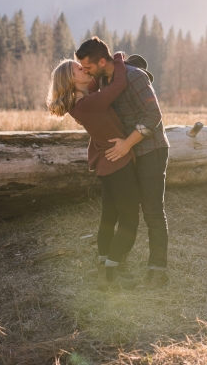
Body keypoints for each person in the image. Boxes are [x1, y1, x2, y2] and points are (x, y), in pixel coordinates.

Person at [76, 37, 171, 289]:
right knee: (123, 210)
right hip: (127, 155)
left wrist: (127, 143)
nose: (86, 73)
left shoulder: (135, 76)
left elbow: (154, 115)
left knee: (152, 211)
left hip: (150, 151)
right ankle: (115, 265)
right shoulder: (106, 80)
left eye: (88, 68)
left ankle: (158, 271)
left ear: (102, 61)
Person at [46, 53, 139, 291]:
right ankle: (110, 273)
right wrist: (116, 58)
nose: (86, 71)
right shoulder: (88, 103)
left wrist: (103, 65)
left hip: (107, 163)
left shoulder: (83, 99)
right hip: (116, 162)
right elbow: (118, 84)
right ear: (70, 80)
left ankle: (103, 265)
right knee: (129, 220)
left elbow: (99, 79)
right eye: (80, 70)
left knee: (109, 217)